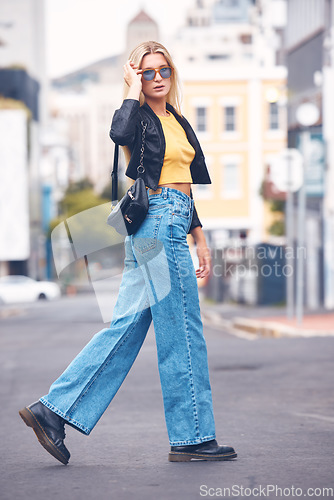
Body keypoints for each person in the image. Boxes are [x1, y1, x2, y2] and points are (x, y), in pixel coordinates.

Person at [19, 41, 237, 464]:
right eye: (147, 72)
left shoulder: (176, 119)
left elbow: (185, 184)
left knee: (126, 328)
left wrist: (201, 237)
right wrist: (128, 91)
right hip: (155, 225)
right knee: (182, 331)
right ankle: (192, 436)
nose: (157, 79)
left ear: (173, 75)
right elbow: (118, 135)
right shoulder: (134, 116)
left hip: (170, 221)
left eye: (164, 71)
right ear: (136, 76)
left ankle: (52, 411)